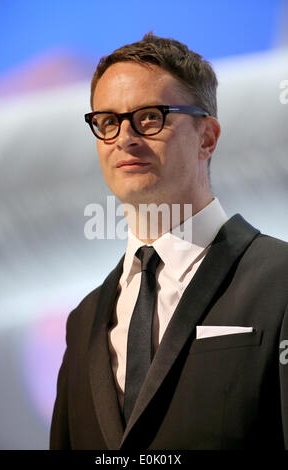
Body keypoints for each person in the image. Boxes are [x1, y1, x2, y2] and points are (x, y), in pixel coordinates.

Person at [49, 33, 288, 450]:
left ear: (207, 138)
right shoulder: (83, 320)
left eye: (150, 117)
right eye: (107, 122)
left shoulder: (280, 280)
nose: (125, 137)